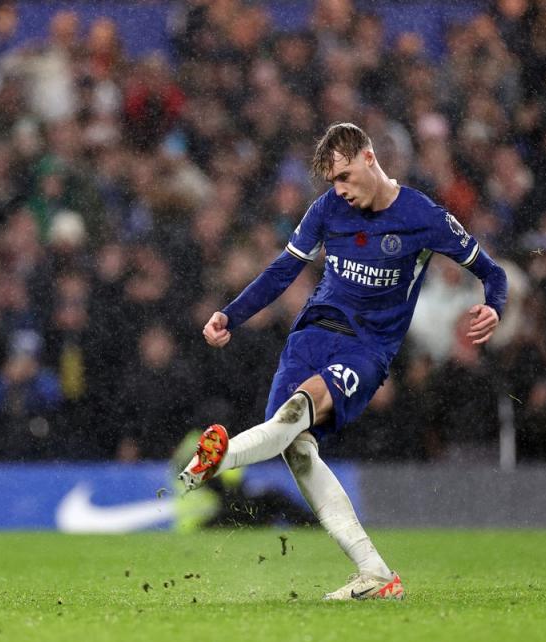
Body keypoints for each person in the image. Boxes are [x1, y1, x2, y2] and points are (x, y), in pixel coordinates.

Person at [178, 123, 507, 601]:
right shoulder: (328, 209)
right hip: (309, 338)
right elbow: (282, 271)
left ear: (370, 158)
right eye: (333, 181)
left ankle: (217, 460)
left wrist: (494, 304)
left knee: (294, 414)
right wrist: (231, 314)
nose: (341, 190)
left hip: (365, 348)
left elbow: (490, 271)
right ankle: (375, 573)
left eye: (347, 176)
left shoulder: (422, 216)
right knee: (296, 448)